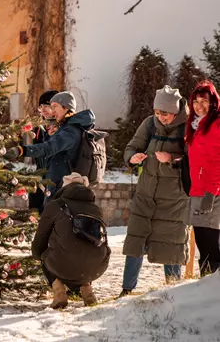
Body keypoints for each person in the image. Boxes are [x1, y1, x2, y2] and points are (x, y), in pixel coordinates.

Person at [120, 86, 189, 297]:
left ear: (175, 112)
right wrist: (132, 158)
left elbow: (194, 160)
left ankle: (173, 289)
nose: (160, 117)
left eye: (165, 113)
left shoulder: (188, 128)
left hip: (174, 199)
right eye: (158, 112)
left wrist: (172, 160)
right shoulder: (150, 124)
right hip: (145, 194)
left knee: (172, 242)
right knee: (135, 239)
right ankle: (127, 289)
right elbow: (132, 146)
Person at [32, 172, 111, 309]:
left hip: (65, 263)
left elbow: (41, 237)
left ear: (64, 188)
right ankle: (87, 292)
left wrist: (39, 256)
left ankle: (59, 293)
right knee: (84, 251)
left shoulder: (55, 205)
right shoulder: (97, 209)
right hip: (97, 267)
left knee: (48, 256)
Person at [6, 91, 95, 198]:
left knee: (52, 214)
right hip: (58, 185)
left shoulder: (70, 132)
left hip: (62, 187)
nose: (52, 112)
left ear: (66, 107)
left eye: (54, 107)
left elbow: (48, 148)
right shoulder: (66, 128)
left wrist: (21, 150)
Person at [185, 81, 220, 277]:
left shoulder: (215, 125)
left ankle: (213, 288)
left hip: (211, 192)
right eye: (196, 102)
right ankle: (205, 284)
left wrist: (212, 191)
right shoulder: (196, 126)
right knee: (202, 241)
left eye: (204, 101)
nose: (199, 106)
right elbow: (200, 158)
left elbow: (218, 162)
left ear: (212, 102)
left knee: (211, 243)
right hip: (198, 190)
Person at [27, 90, 59, 213]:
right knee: (35, 210)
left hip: (55, 178)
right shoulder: (38, 128)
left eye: (47, 105)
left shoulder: (61, 128)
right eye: (41, 106)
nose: (43, 109)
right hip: (40, 175)